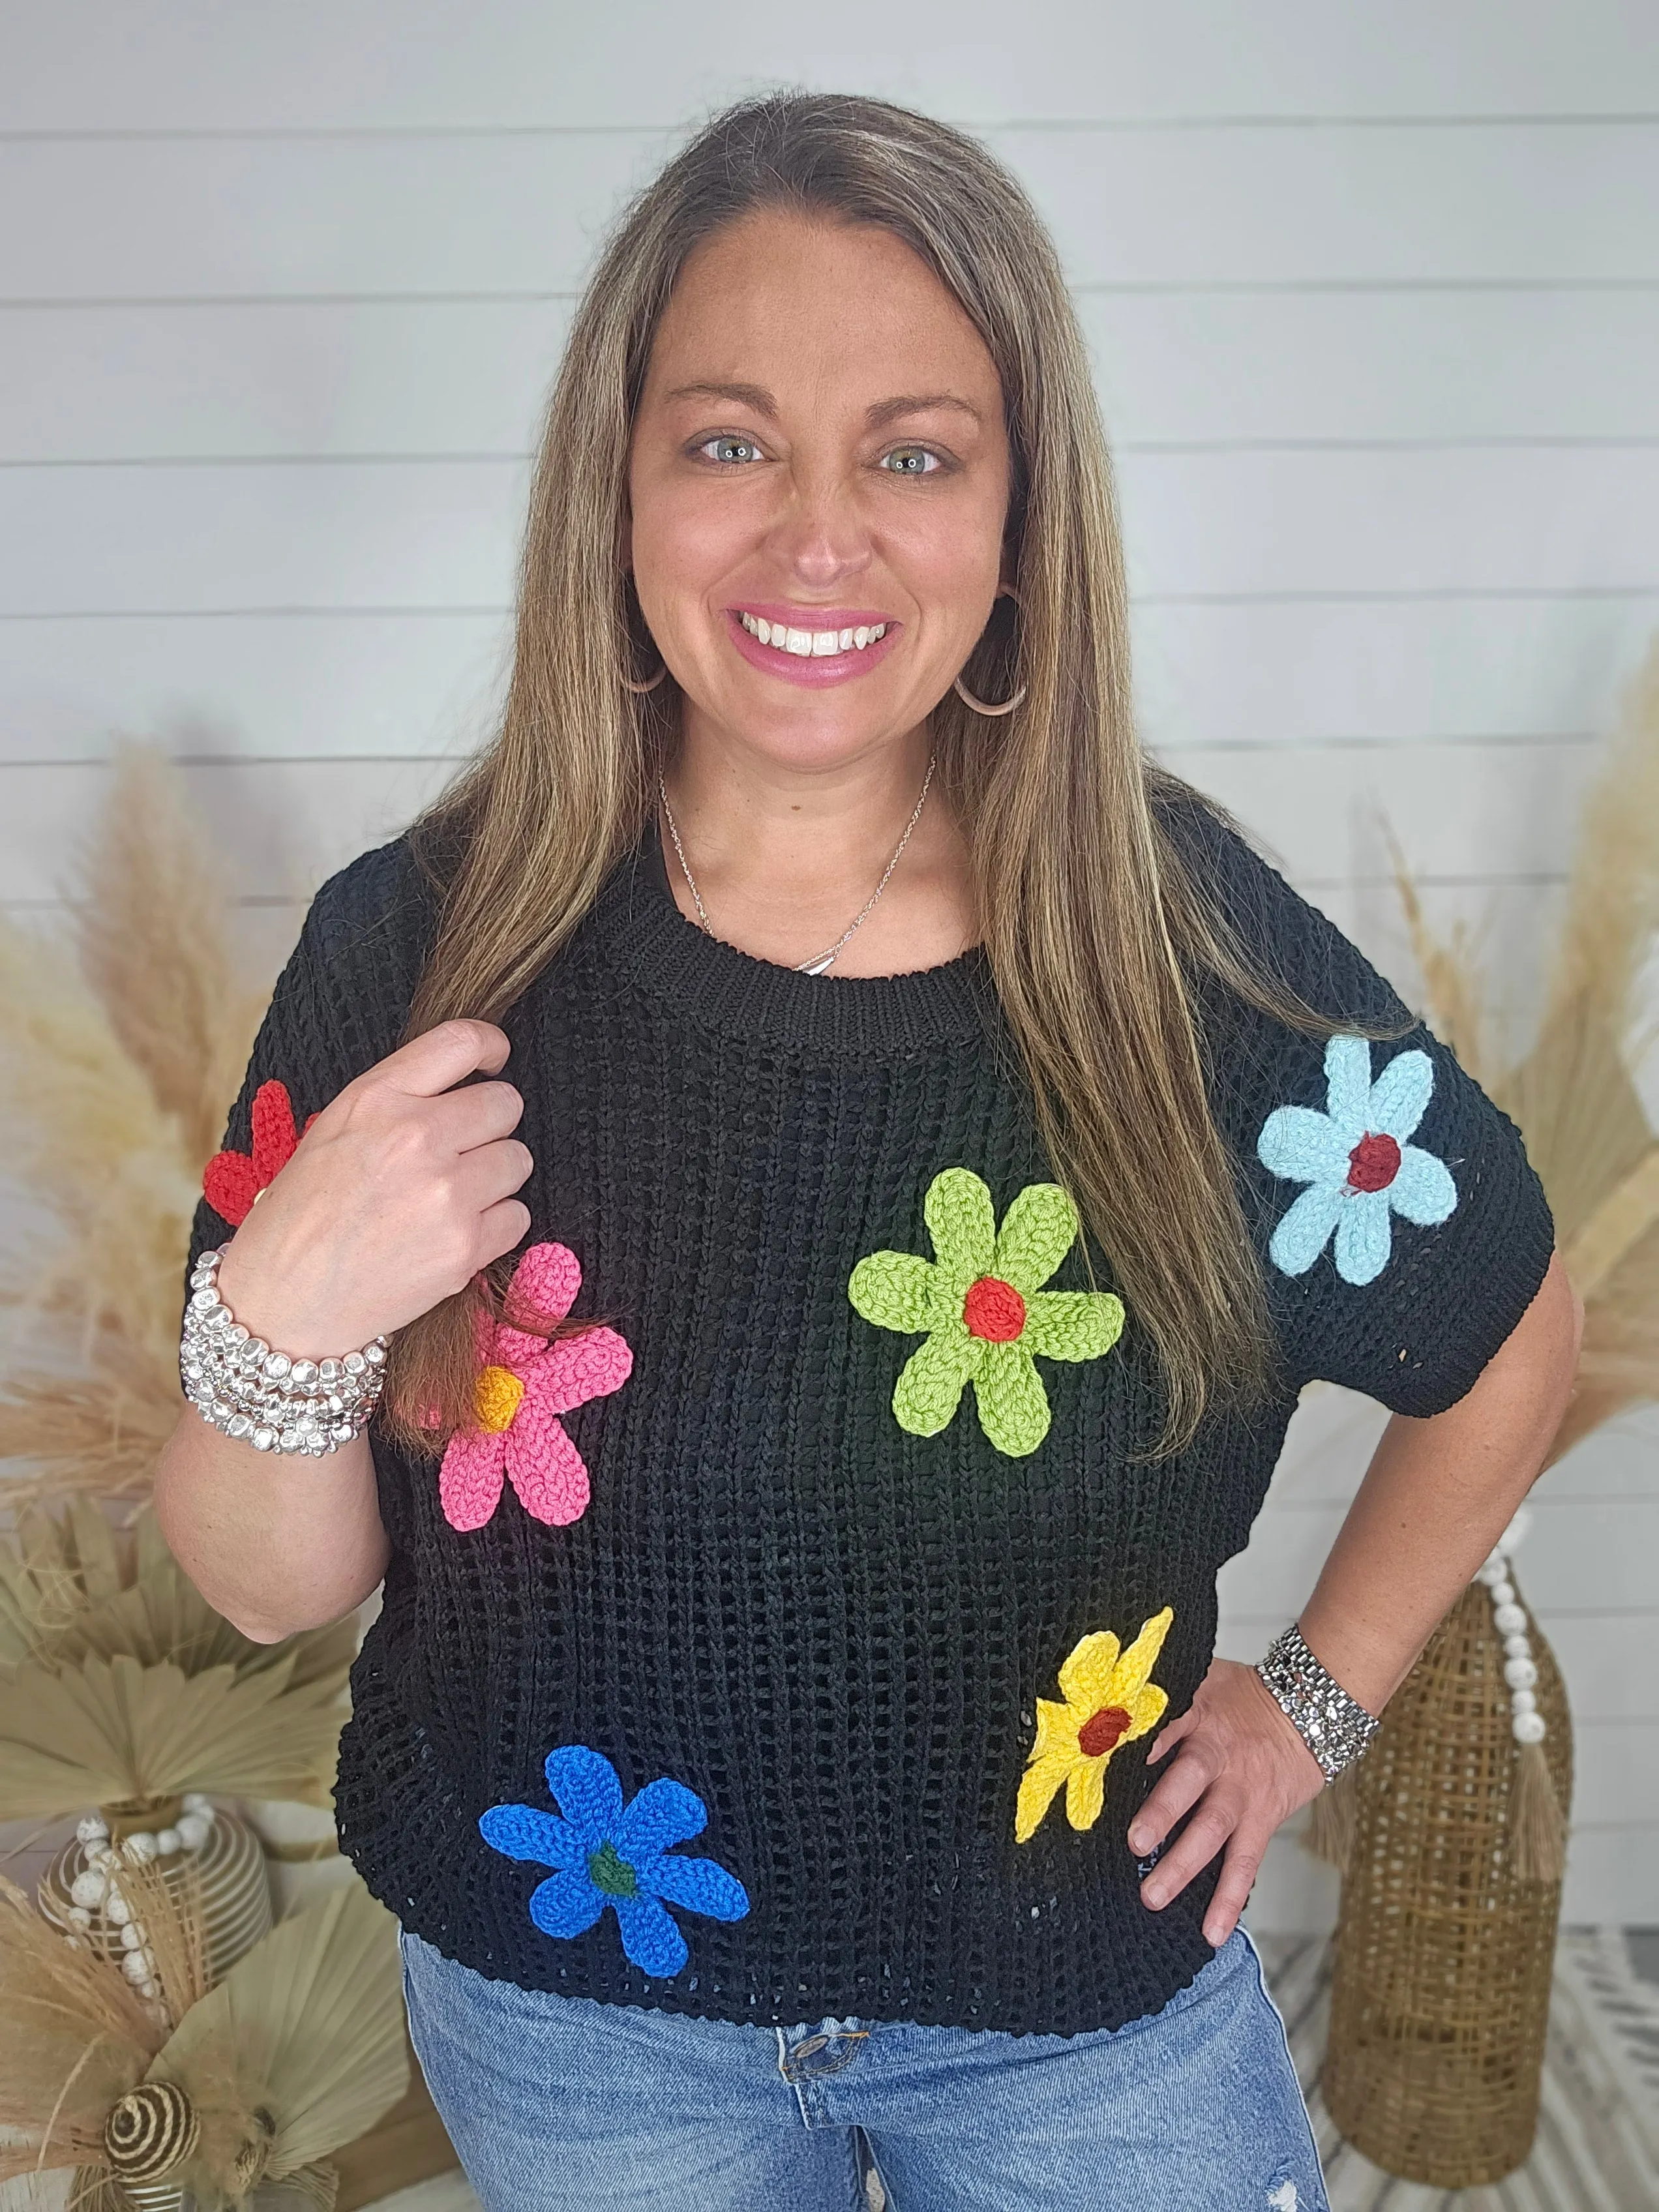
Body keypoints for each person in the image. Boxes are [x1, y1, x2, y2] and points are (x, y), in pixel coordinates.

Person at [155, 93, 1580, 2212]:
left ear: (1022, 510)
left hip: (1075, 2023)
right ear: (616, 487)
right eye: (730, 442)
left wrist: (1313, 1704)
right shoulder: (432, 948)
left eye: (913, 455)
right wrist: (277, 1311)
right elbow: (272, 1580)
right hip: (581, 2022)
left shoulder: (1180, 962)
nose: (818, 542)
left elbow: (1507, 1322)